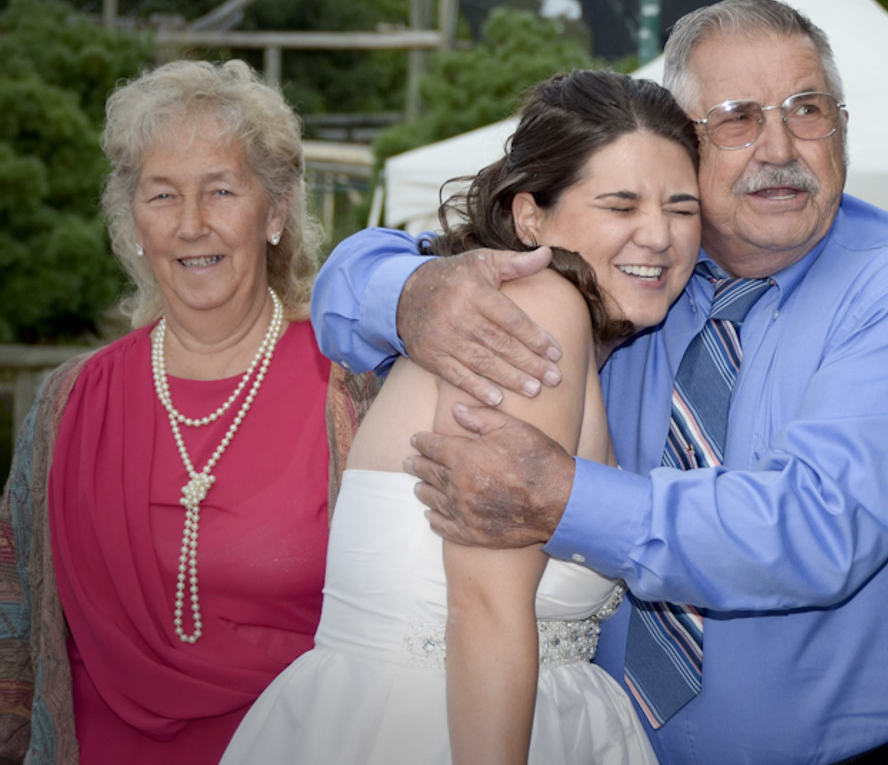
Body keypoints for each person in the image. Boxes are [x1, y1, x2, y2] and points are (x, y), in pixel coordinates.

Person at [311, 0, 888, 764]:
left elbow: (815, 527)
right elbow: (356, 278)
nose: (779, 146)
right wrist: (410, 293)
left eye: (807, 109)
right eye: (738, 118)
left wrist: (566, 496)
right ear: (686, 141)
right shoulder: (625, 283)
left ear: (842, 126)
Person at [223, 69, 694, 764]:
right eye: (621, 205)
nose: (657, 234)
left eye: (681, 208)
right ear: (531, 215)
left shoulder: (551, 316)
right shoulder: (536, 308)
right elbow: (485, 608)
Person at [0, 60, 380, 765]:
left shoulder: (353, 390)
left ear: (274, 211)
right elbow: (13, 628)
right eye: (164, 194)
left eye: (222, 190)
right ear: (132, 220)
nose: (192, 223)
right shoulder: (66, 403)